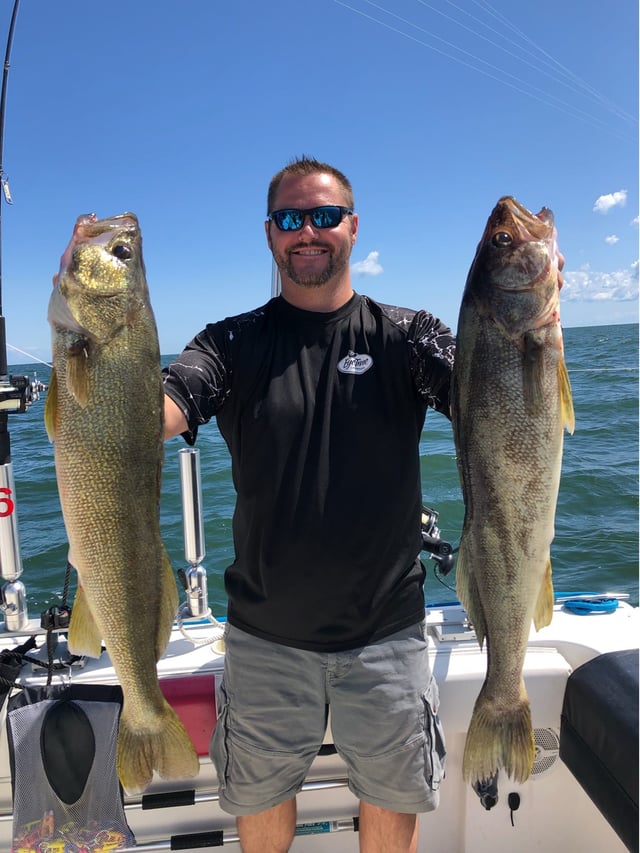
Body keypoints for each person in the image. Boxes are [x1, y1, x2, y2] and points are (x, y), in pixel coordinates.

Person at [163, 157, 454, 853]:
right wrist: (90, 351)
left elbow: (489, 397)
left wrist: (529, 325)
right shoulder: (228, 343)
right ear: (270, 235)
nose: (308, 232)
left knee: (392, 801)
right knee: (260, 803)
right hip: (265, 638)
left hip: (387, 632)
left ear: (353, 227)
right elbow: (165, 406)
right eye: (292, 219)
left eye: (324, 216)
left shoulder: (408, 334)